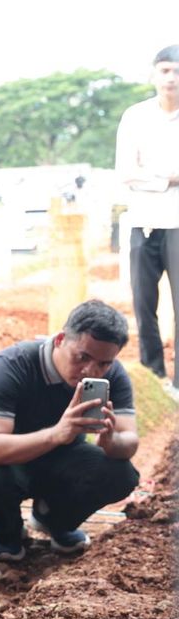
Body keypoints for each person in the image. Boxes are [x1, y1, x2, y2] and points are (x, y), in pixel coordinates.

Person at [0, 300, 140, 561]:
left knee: (122, 474)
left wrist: (111, 440)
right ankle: (8, 530)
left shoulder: (114, 375)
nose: (91, 370)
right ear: (60, 340)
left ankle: (55, 521)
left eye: (104, 363)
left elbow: (130, 440)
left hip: (63, 454)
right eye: (82, 357)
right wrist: (57, 433)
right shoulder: (12, 365)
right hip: (6, 458)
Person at [115, 44, 179, 400]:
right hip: (144, 222)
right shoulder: (135, 116)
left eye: (177, 72)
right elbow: (125, 172)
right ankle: (154, 374)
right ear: (154, 74)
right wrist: (168, 178)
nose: (171, 79)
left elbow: (140, 171)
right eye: (165, 70)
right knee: (144, 302)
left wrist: (149, 173)